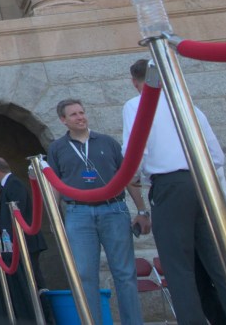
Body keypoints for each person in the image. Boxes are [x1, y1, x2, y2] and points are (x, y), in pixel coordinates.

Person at [123, 59, 226, 324]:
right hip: (204, 184)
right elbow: (217, 156)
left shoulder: (135, 104)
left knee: (178, 268)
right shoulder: (190, 106)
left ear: (134, 81)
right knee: (218, 264)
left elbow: (135, 148)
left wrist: (134, 176)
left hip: (170, 185)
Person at [46, 98, 144, 325]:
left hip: (114, 211)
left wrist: (142, 209)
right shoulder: (57, 148)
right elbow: (55, 184)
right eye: (73, 115)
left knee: (125, 274)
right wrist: (54, 218)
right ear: (63, 120)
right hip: (78, 214)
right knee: (84, 276)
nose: (80, 117)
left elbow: (127, 177)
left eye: (82, 112)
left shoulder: (107, 142)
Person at [0, 157, 47, 319]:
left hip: (26, 241)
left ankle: (44, 315)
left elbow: (17, 212)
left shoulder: (13, 183)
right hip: (18, 242)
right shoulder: (7, 185)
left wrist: (12, 240)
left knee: (35, 278)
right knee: (30, 277)